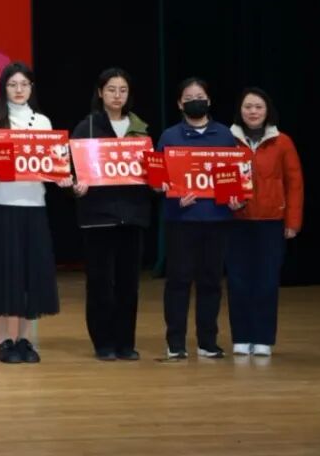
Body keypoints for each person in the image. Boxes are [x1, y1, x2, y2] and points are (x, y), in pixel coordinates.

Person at [0, 62, 72, 364]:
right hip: (3, 205)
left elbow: (54, 161)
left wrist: (61, 175)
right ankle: (4, 340)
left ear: (31, 88)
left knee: (33, 273)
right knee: (3, 273)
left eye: (24, 84)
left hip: (34, 206)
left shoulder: (42, 122)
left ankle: (26, 339)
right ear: (4, 88)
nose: (19, 90)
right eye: (12, 84)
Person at [70, 67, 153, 361]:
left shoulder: (140, 128)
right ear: (100, 93)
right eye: (111, 90)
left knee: (129, 283)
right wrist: (77, 186)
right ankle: (103, 342)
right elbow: (72, 169)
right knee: (100, 283)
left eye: (123, 90)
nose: (117, 95)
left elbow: (151, 169)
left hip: (132, 215)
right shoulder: (87, 128)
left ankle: (126, 342)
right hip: (98, 217)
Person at [155, 77, 240, 360]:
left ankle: (207, 341)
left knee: (211, 282)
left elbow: (235, 178)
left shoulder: (225, 136)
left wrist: (235, 197)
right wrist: (172, 195)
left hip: (217, 220)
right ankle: (175, 343)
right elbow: (157, 181)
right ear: (180, 104)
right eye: (189, 98)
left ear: (209, 101)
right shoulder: (169, 137)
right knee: (178, 281)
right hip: (181, 220)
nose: (195, 101)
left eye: (200, 97)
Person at [227, 87, 304, 356]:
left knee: (267, 281)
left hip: (272, 221)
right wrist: (226, 201)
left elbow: (295, 184)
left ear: (267, 110)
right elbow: (217, 176)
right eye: (248, 107)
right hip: (236, 221)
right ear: (240, 111)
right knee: (237, 281)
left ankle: (263, 338)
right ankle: (241, 336)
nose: (253, 112)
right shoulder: (227, 139)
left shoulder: (282, 142)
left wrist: (292, 221)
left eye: (258, 107)